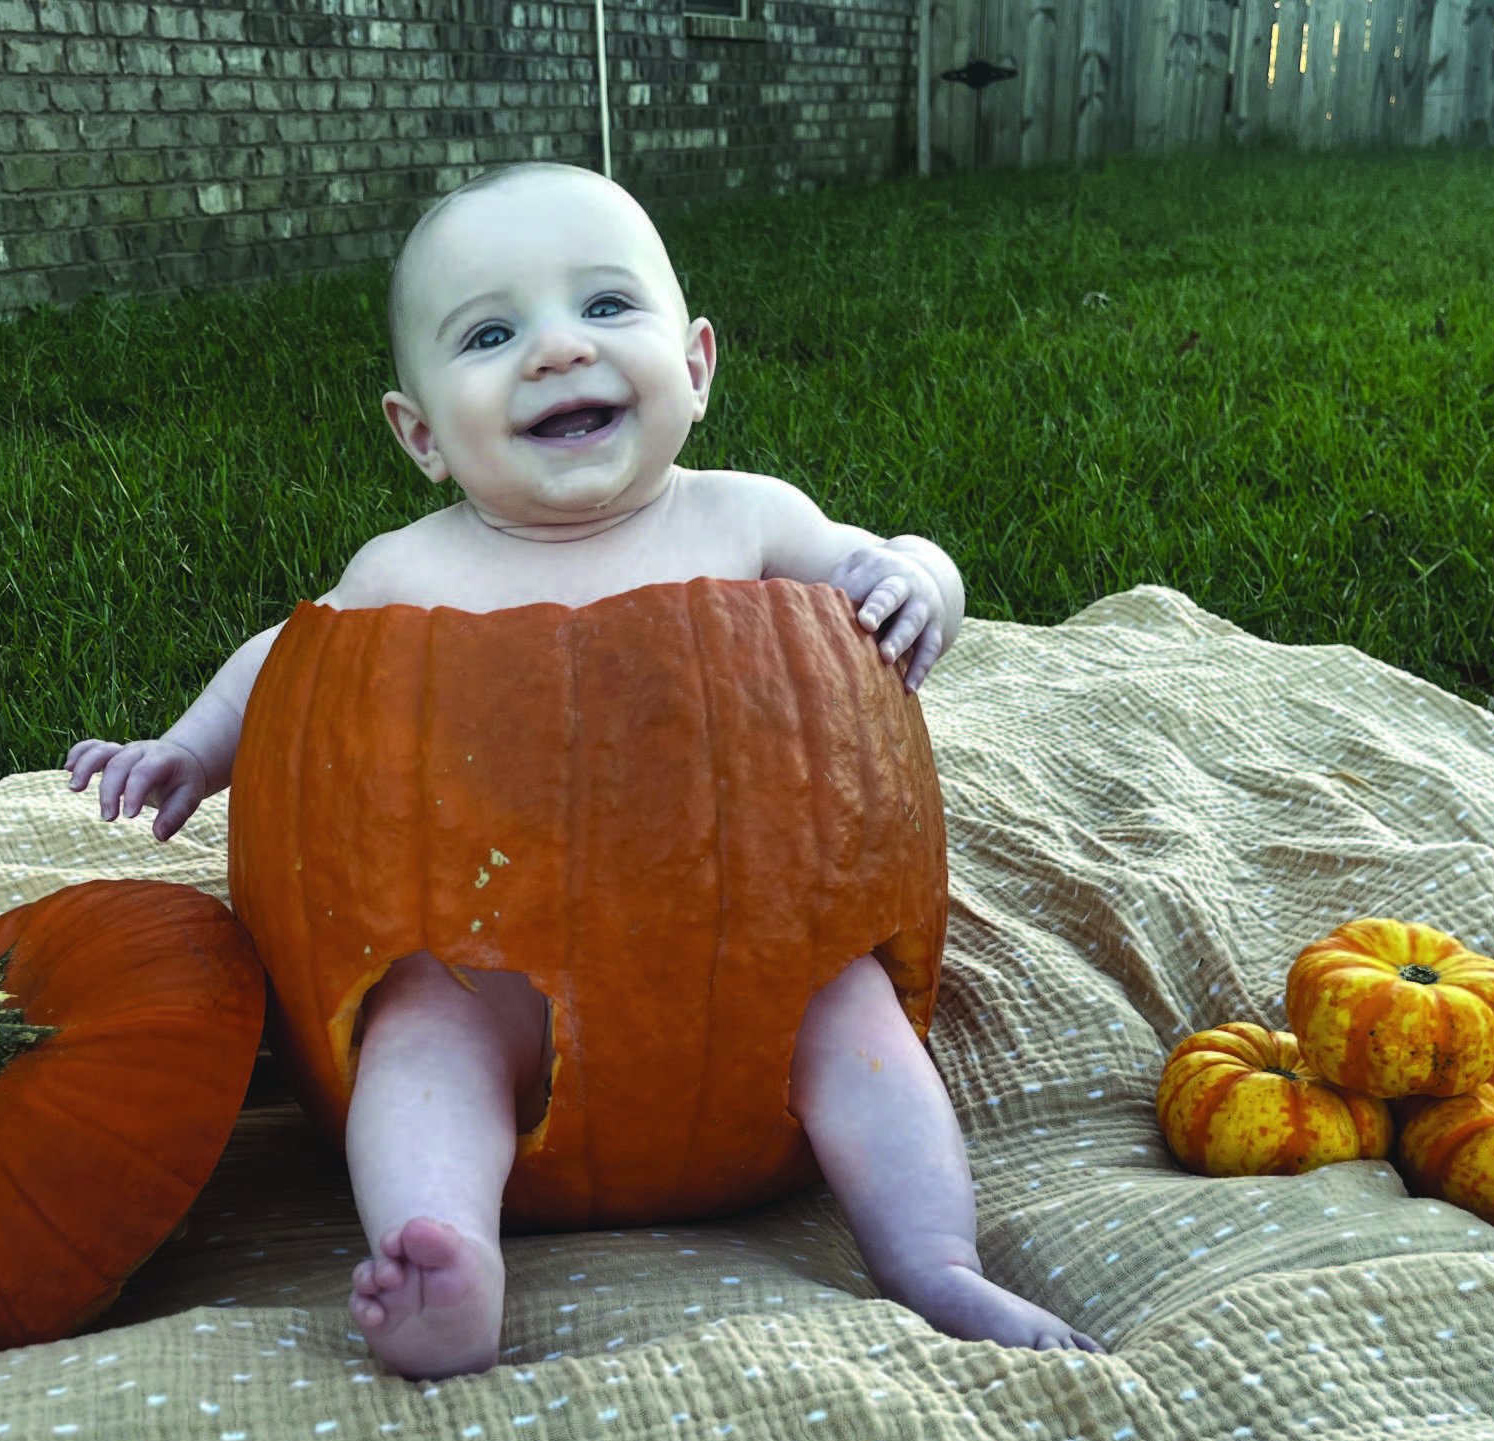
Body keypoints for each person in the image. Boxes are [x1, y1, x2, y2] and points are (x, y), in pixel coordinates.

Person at [66, 161, 1105, 1379]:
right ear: (421, 435)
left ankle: (934, 1255)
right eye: (493, 333)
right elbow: (286, 662)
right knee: (413, 1033)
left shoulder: (752, 520)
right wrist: (192, 746)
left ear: (698, 363)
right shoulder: (408, 570)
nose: (559, 352)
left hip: (767, 946)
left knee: (858, 1022)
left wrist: (920, 581)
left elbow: (890, 553)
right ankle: (446, 1255)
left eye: (607, 309)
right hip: (495, 955)